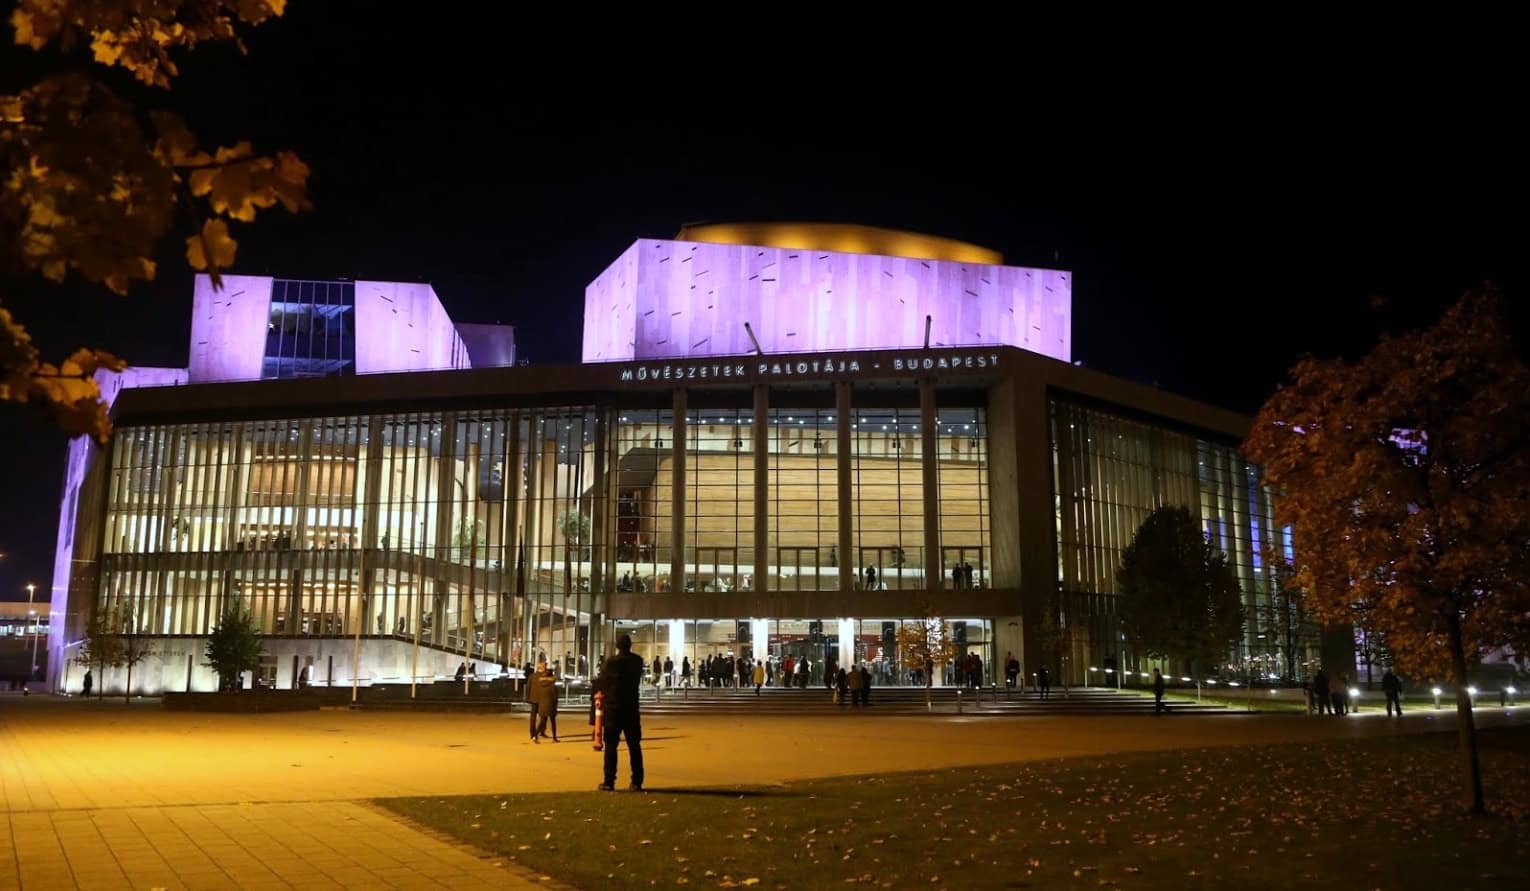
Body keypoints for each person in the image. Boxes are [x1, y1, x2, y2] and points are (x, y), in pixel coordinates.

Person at [597, 633, 645, 792]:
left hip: (614, 708)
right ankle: (636, 781)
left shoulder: (611, 663)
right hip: (631, 707)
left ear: (617, 646)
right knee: (634, 745)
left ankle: (609, 781)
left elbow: (602, 682)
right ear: (630, 645)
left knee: (611, 745)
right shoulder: (637, 661)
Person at [532, 662, 559, 743]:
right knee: (553, 722)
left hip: (542, 705)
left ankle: (535, 736)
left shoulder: (540, 684)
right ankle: (554, 738)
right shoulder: (552, 686)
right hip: (551, 706)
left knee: (542, 721)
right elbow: (555, 696)